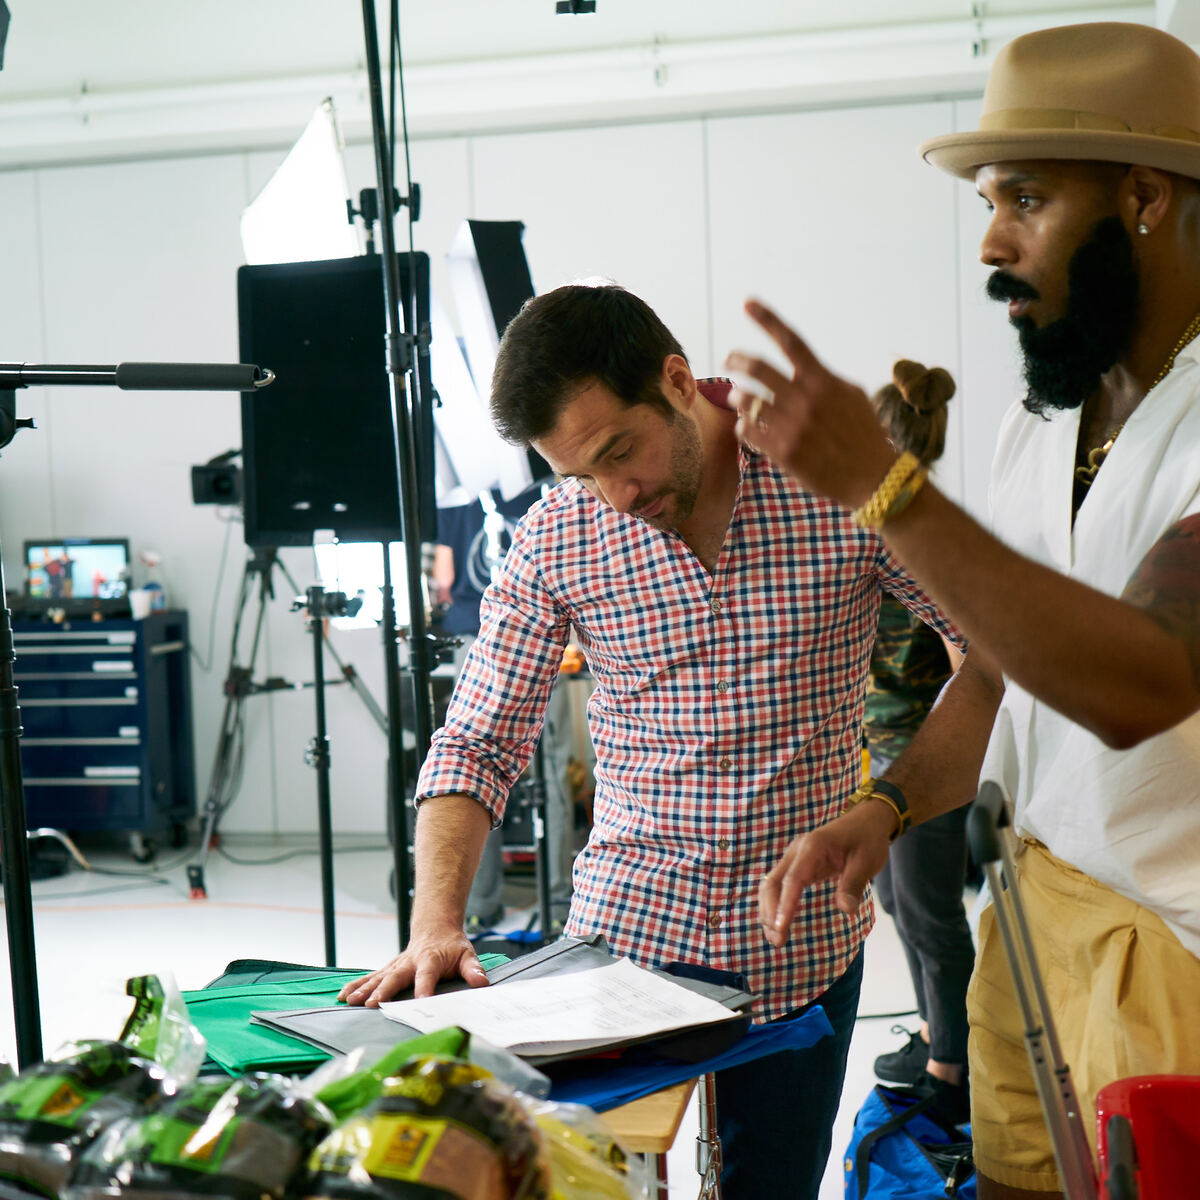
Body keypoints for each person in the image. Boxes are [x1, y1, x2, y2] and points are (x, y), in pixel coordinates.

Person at [340, 283, 962, 1198]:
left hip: (804, 944)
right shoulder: (560, 532)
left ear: (678, 380)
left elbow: (983, 648)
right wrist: (436, 920)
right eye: (580, 472)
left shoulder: (833, 482)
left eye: (619, 452)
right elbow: (476, 741)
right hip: (625, 946)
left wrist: (892, 802)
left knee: (772, 1185)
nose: (616, 495)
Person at [725, 22, 1200, 1200]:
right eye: (990, 200)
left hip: (1174, 958)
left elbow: (1141, 682)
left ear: (1145, 196)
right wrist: (885, 807)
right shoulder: (1043, 420)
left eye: (1027, 198)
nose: (991, 240)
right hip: (1030, 929)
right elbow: (996, 671)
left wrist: (886, 493)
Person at [862, 362, 973, 1122]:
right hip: (881, 759)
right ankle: (938, 1028)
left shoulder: (922, 537)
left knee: (931, 912)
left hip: (925, 764)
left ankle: (953, 1069)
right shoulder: (879, 528)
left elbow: (949, 659)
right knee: (895, 899)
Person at [431, 489, 578, 933]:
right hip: (546, 631)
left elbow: (443, 576)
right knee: (551, 767)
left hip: (471, 632)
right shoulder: (541, 487)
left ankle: (479, 905)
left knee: (474, 758)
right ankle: (558, 899)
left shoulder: (454, 490)